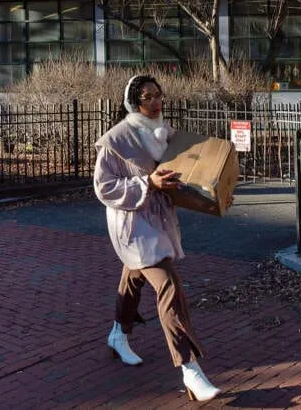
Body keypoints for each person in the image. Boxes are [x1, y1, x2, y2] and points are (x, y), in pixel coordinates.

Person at [93, 75, 221, 402]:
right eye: (147, 97)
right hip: (132, 224)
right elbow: (103, 187)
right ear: (134, 102)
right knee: (168, 285)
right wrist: (147, 183)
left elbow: (181, 169)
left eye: (158, 95)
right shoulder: (116, 138)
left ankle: (118, 334)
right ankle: (189, 367)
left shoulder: (167, 134)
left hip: (159, 219)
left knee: (133, 278)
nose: (155, 102)